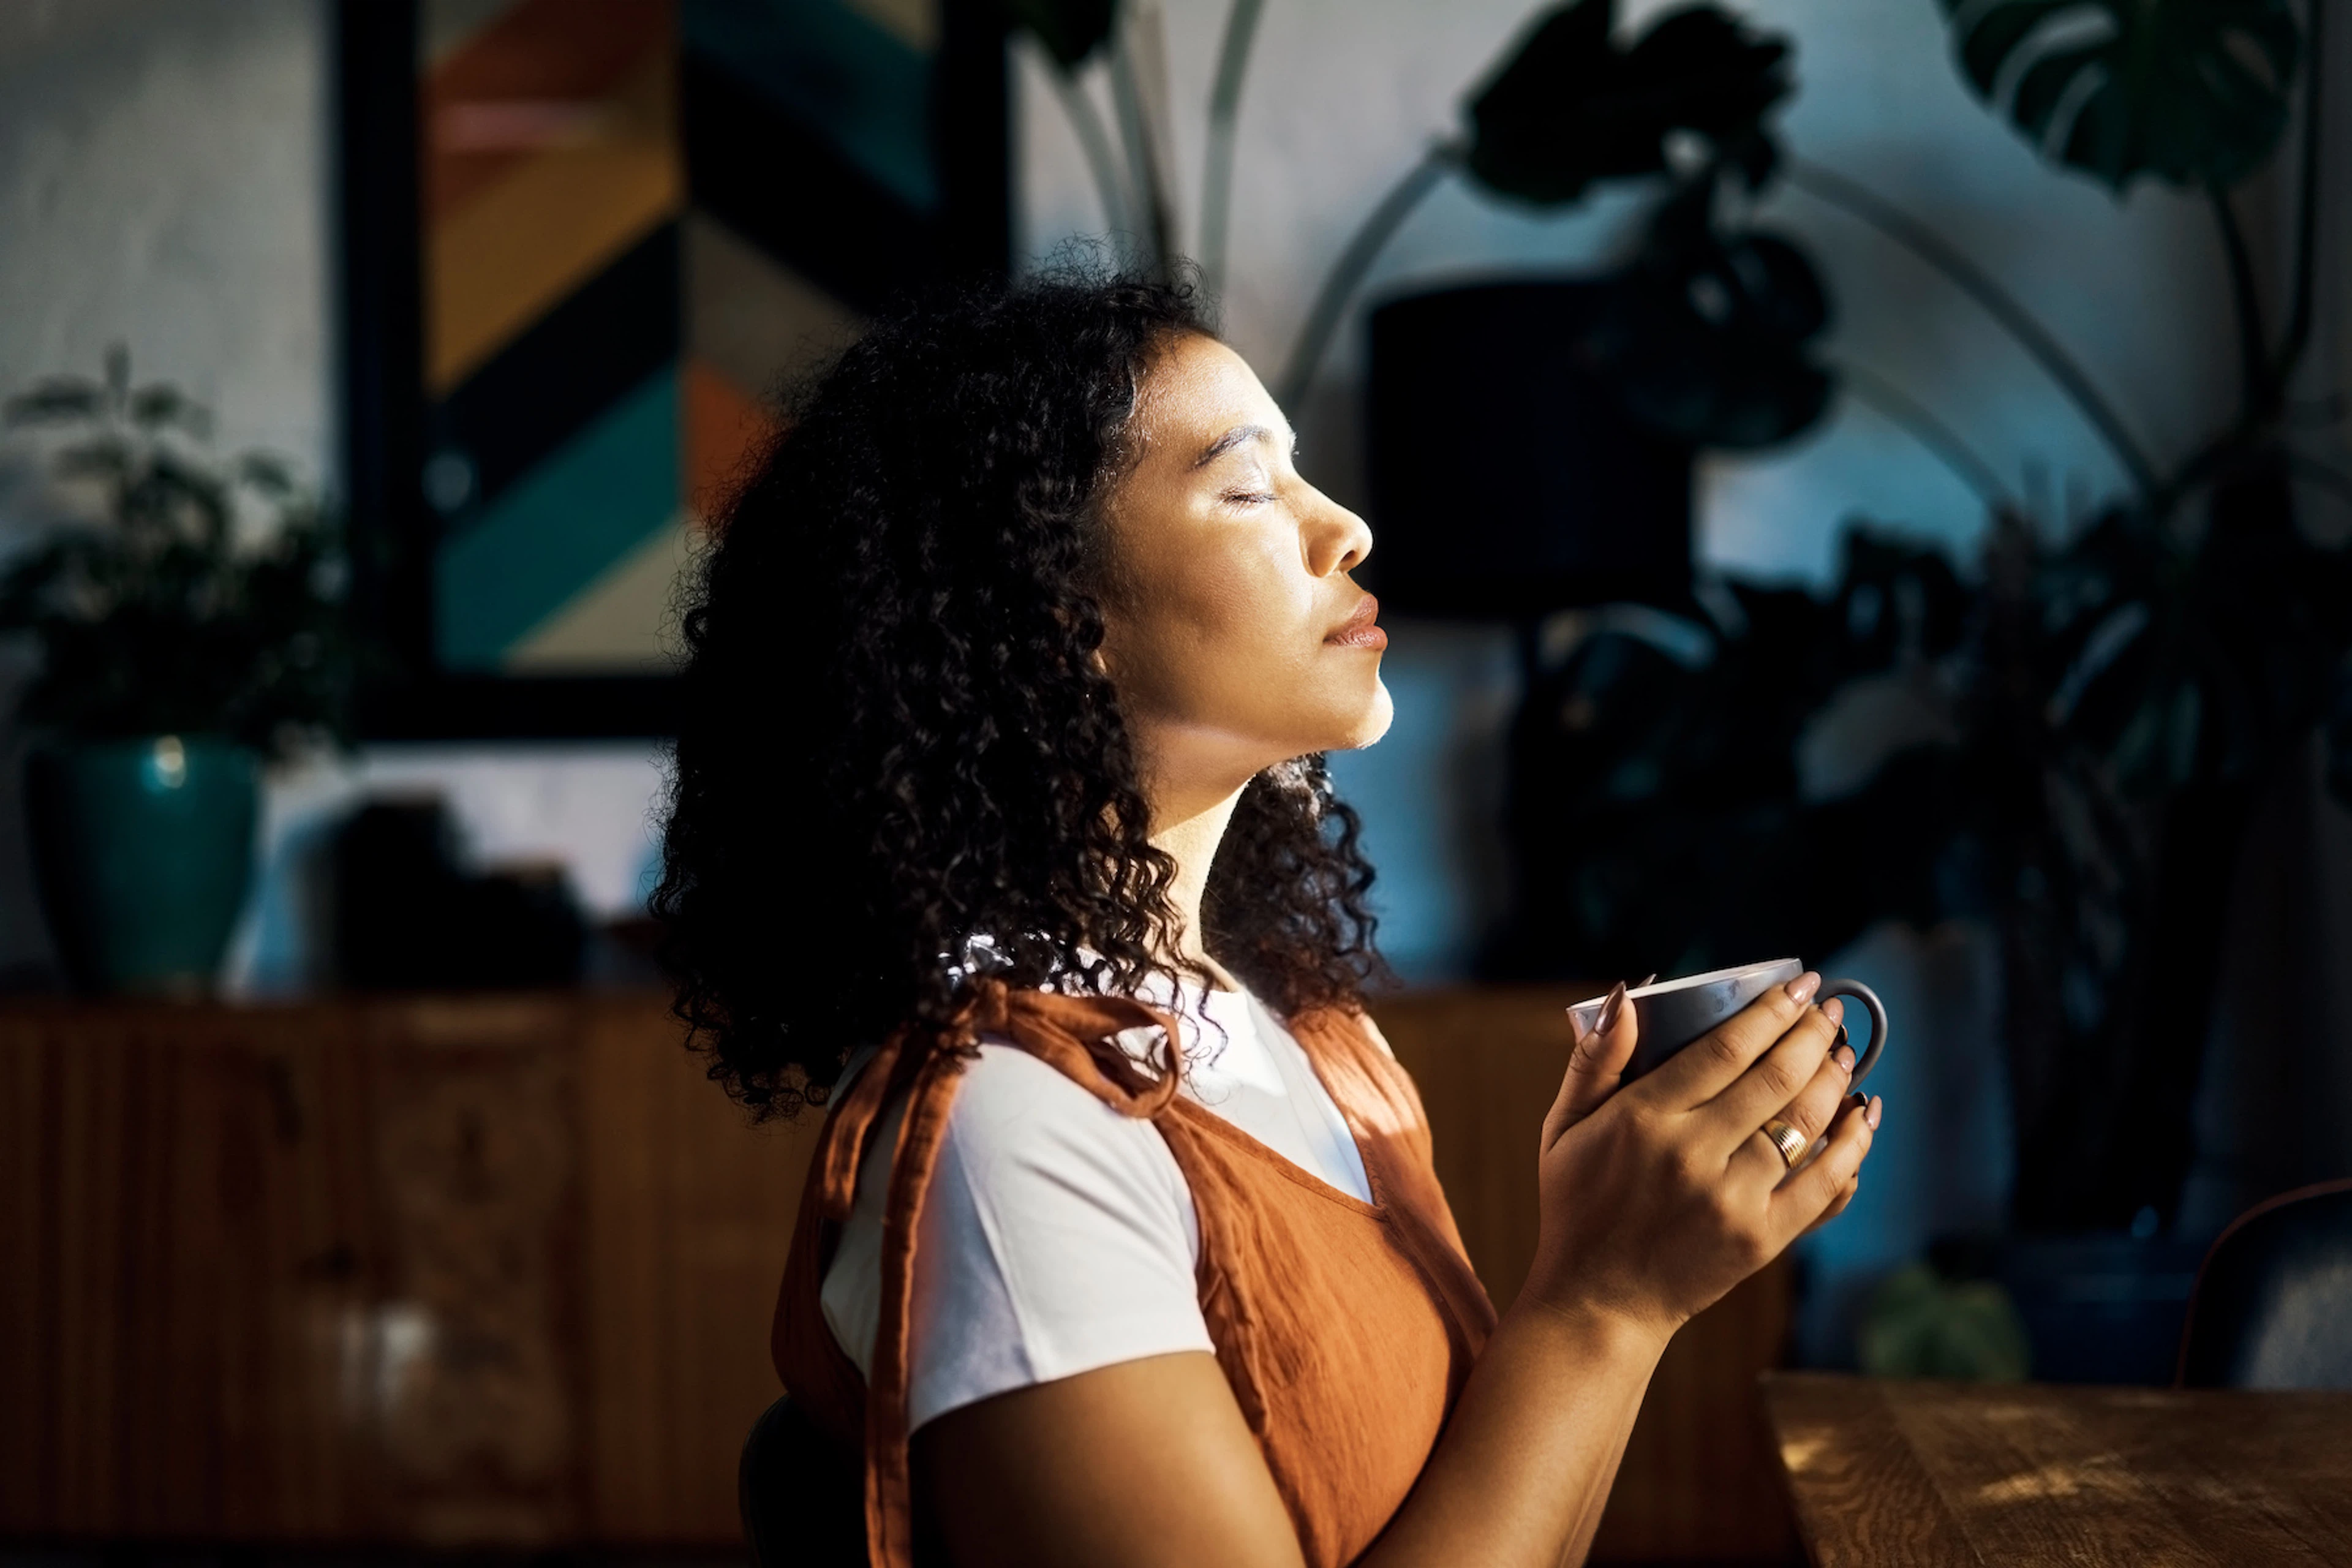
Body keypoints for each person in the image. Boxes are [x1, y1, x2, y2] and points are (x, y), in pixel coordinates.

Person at [654, 270, 1880, 1568]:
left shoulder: (1307, 1043)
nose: (1346, 525)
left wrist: (1617, 1273)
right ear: (1058, 615)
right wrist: (1605, 1303)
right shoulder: (1013, 1138)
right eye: (1248, 488)